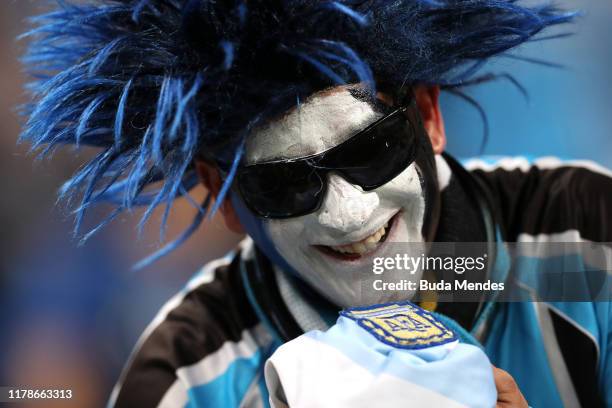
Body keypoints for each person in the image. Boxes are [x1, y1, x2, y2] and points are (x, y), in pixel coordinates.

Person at [19, 0, 611, 407]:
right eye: (284, 184)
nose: (347, 214)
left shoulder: (590, 243)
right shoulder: (185, 378)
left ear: (428, 117)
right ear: (226, 197)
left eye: (371, 148)